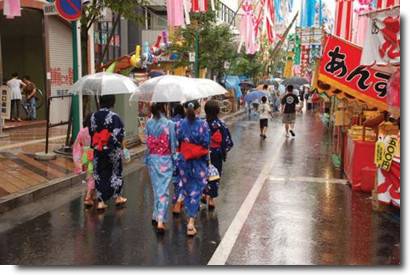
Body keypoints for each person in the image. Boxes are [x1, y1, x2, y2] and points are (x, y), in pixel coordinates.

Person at [176, 100, 210, 236]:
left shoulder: (179, 124)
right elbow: (206, 142)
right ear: (198, 109)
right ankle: (191, 221)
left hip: (184, 160)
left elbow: (178, 140)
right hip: (198, 161)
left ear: (185, 109)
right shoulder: (203, 124)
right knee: (197, 189)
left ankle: (189, 213)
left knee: (187, 188)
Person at [89, 95, 127, 210]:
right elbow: (119, 134)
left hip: (98, 149)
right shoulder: (114, 117)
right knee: (115, 172)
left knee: (99, 173)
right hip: (112, 150)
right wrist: (111, 144)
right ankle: (117, 197)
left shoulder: (93, 116)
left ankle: (100, 201)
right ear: (112, 103)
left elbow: (92, 132)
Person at [145, 103, 177, 234]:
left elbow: (147, 142)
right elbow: (173, 144)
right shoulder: (169, 124)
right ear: (163, 109)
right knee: (163, 190)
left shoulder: (148, 123)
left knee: (156, 187)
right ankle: (160, 220)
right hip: (165, 159)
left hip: (152, 158)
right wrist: (175, 159)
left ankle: (155, 214)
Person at [203, 100, 234, 209]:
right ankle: (211, 199)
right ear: (217, 111)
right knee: (214, 175)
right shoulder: (220, 124)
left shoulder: (202, 124)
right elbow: (227, 141)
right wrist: (223, 150)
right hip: (216, 153)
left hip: (203, 153)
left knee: (203, 174)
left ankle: (204, 193)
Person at [73, 113, 95, 207]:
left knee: (90, 174)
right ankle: (88, 196)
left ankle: (91, 194)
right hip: (93, 153)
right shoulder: (95, 130)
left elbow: (76, 144)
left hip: (85, 154)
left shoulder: (82, 131)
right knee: (92, 175)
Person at [170, 103, 185, 214]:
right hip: (183, 153)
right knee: (182, 178)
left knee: (175, 179)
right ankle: (179, 201)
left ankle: (176, 198)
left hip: (171, 154)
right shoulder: (184, 123)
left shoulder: (169, 122)